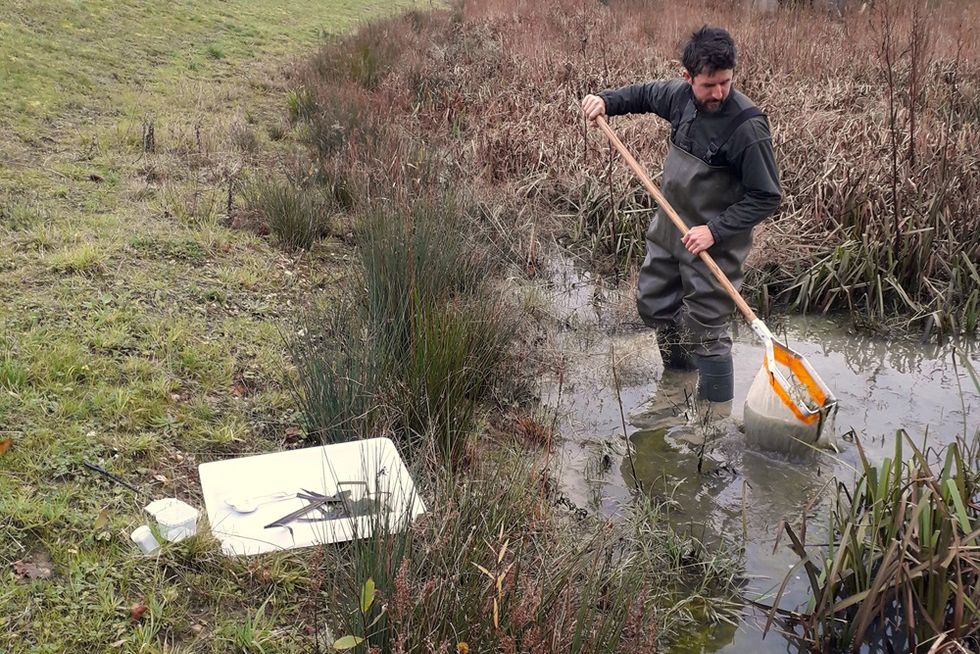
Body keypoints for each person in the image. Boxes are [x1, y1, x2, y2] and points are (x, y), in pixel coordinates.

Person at [581, 26, 782, 403]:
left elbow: (766, 196)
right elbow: (641, 95)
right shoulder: (678, 98)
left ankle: (713, 420)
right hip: (669, 230)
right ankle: (678, 380)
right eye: (708, 85)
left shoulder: (748, 127)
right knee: (655, 302)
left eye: (725, 82)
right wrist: (604, 101)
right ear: (687, 77)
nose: (718, 93)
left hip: (714, 245)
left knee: (706, 328)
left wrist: (714, 230)